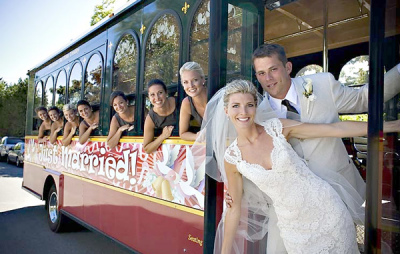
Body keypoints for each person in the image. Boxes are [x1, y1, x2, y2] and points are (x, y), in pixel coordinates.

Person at [202, 79, 400, 254]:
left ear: (256, 107)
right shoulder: (233, 157)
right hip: (293, 228)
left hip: (327, 210)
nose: (243, 112)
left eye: (249, 105)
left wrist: (389, 126)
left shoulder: (277, 128)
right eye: (236, 106)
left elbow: (334, 129)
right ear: (226, 111)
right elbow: (234, 208)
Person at [226, 44, 400, 225]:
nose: (268, 78)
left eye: (273, 69)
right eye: (261, 73)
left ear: (287, 67)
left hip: (340, 188)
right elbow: (251, 158)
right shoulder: (257, 116)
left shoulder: (322, 83)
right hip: (297, 203)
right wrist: (234, 190)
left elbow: (362, 100)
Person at [143, 79, 176, 154]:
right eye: (152, 95)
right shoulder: (151, 118)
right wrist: (163, 136)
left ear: (166, 93)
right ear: (149, 97)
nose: (157, 98)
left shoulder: (180, 103)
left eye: (160, 93)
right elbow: (147, 149)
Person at [179, 62, 207, 141]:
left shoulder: (216, 96)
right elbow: (183, 134)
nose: (190, 86)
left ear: (203, 79)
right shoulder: (187, 103)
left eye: (195, 80)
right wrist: (197, 136)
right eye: (186, 82)